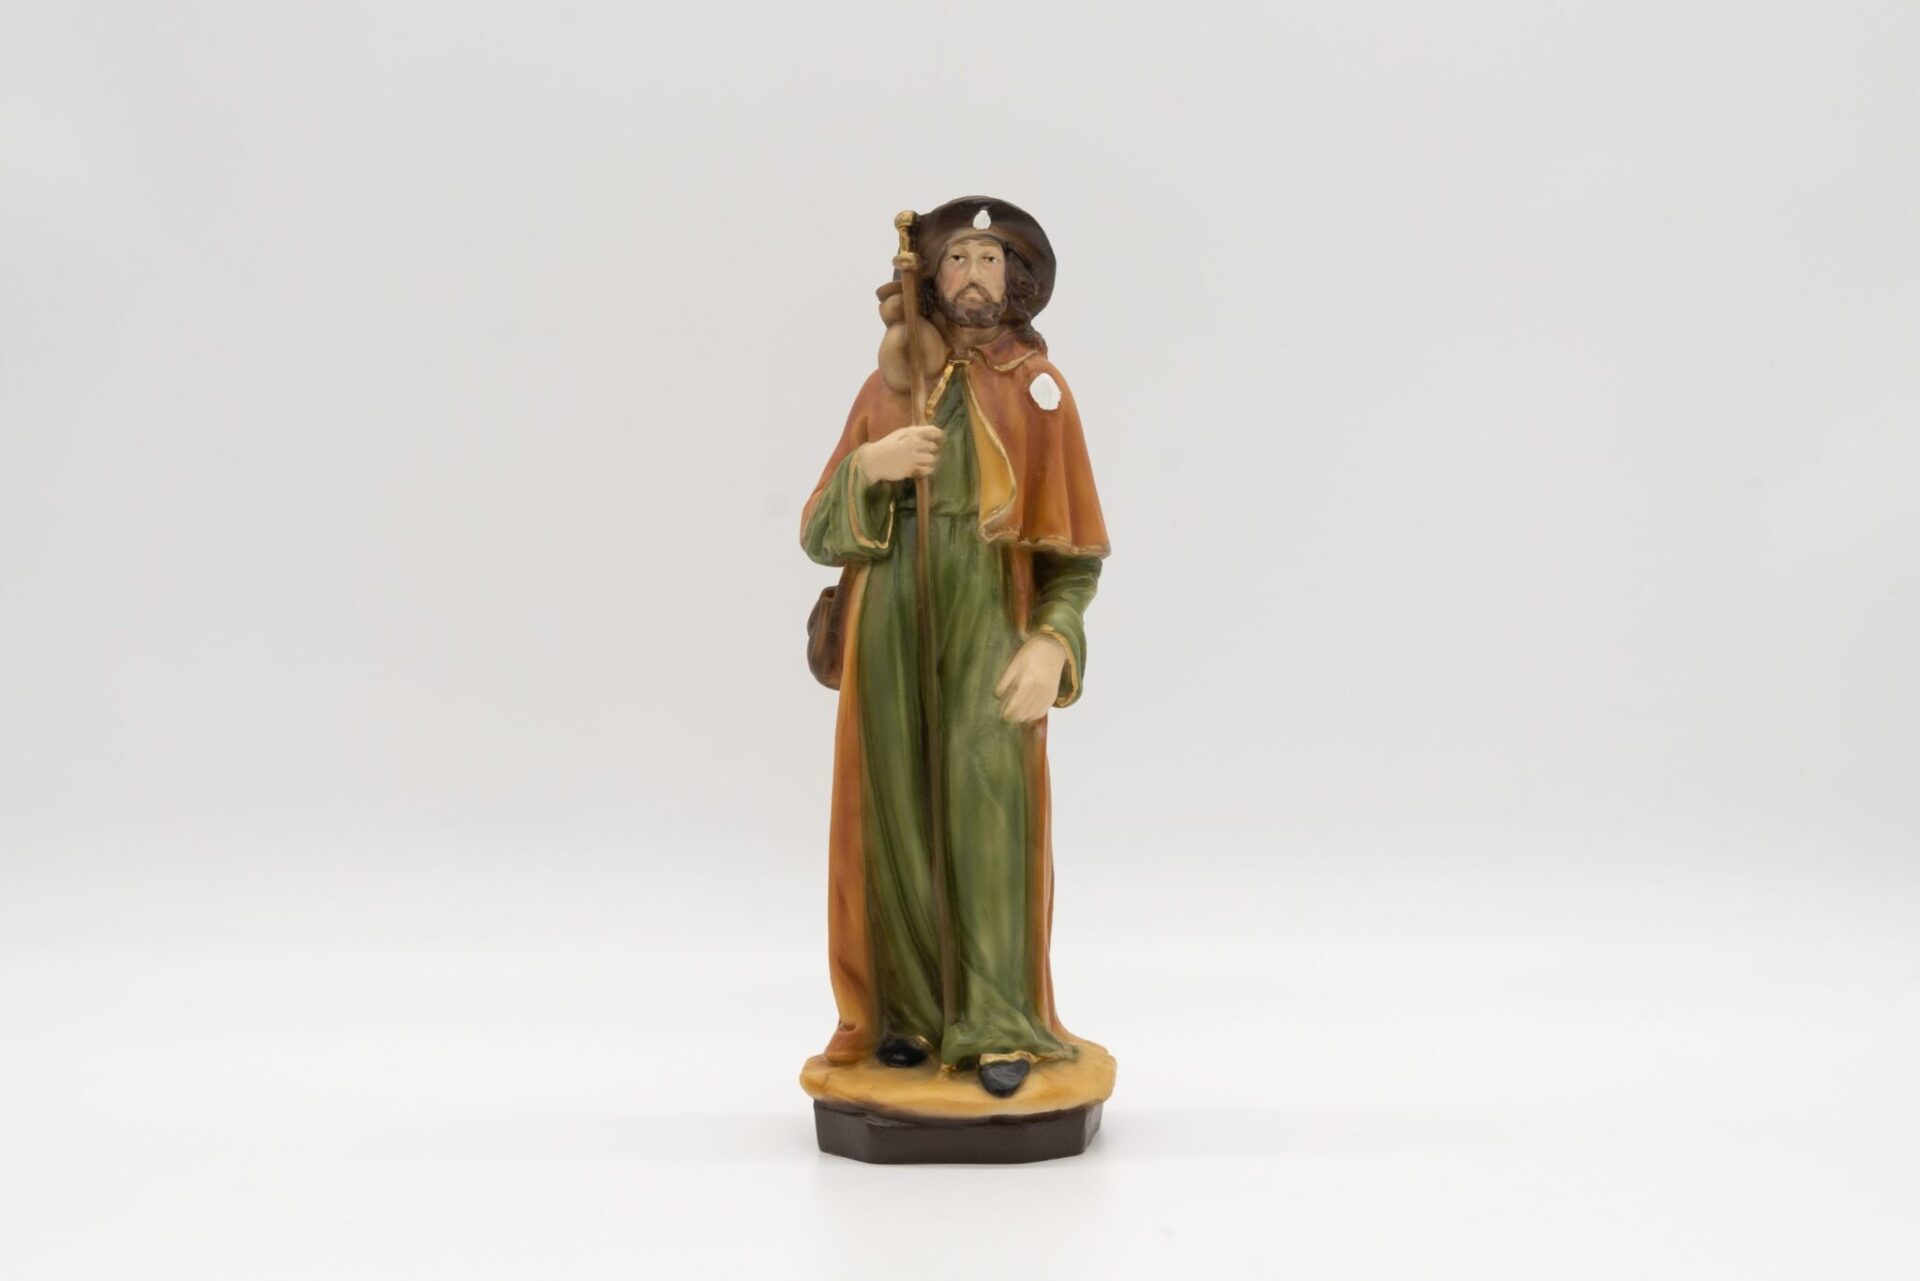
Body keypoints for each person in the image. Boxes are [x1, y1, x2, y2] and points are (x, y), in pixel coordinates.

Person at [799, 197, 1110, 1099]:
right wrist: (871, 467)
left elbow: (1075, 558)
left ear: (1017, 279)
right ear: (931, 279)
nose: (975, 276)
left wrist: (1050, 642)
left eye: (991, 259)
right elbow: (818, 531)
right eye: (959, 259)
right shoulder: (888, 392)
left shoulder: (1041, 392)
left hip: (988, 625)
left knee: (987, 814)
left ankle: (997, 1020)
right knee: (893, 815)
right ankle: (906, 1015)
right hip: (889, 624)